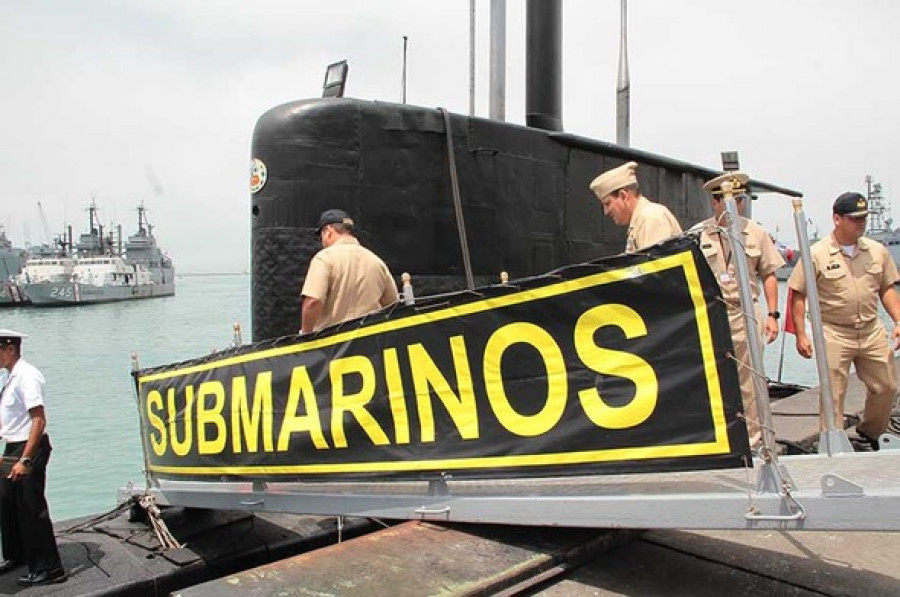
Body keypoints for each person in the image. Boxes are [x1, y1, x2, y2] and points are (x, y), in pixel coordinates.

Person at [788, 192, 900, 449]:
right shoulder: (816, 253)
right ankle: (833, 443)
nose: (860, 223)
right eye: (854, 219)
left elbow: (887, 289)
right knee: (832, 395)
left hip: (871, 329)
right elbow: (799, 294)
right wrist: (802, 335)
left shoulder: (876, 251)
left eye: (863, 218)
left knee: (886, 386)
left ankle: (870, 433)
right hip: (833, 331)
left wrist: (898, 320)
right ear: (837, 219)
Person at [693, 172, 785, 446]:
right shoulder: (698, 234)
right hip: (713, 312)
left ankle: (754, 438)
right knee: (714, 375)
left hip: (746, 311)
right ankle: (721, 434)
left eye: (739, 200)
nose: (735, 206)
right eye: (728, 200)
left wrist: (772, 315)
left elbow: (769, 274)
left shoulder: (755, 233)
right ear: (715, 202)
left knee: (750, 378)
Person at [0, 329, 65, 585]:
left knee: (30, 507)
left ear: (10, 349)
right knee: (7, 503)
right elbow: (12, 418)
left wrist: (25, 460)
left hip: (29, 448)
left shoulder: (27, 376)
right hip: (12, 446)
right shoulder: (10, 377)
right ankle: (17, 556)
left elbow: (38, 419)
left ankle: (50, 568)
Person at [300, 209, 399, 334]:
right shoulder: (377, 262)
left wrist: (306, 334)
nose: (322, 242)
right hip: (369, 344)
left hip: (332, 347)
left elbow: (313, 301)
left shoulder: (325, 258)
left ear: (328, 231)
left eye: (321, 236)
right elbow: (393, 306)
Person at [589, 161, 682, 252]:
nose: (606, 211)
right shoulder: (640, 222)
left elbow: (657, 265)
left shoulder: (651, 218)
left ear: (623, 196)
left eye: (608, 203)